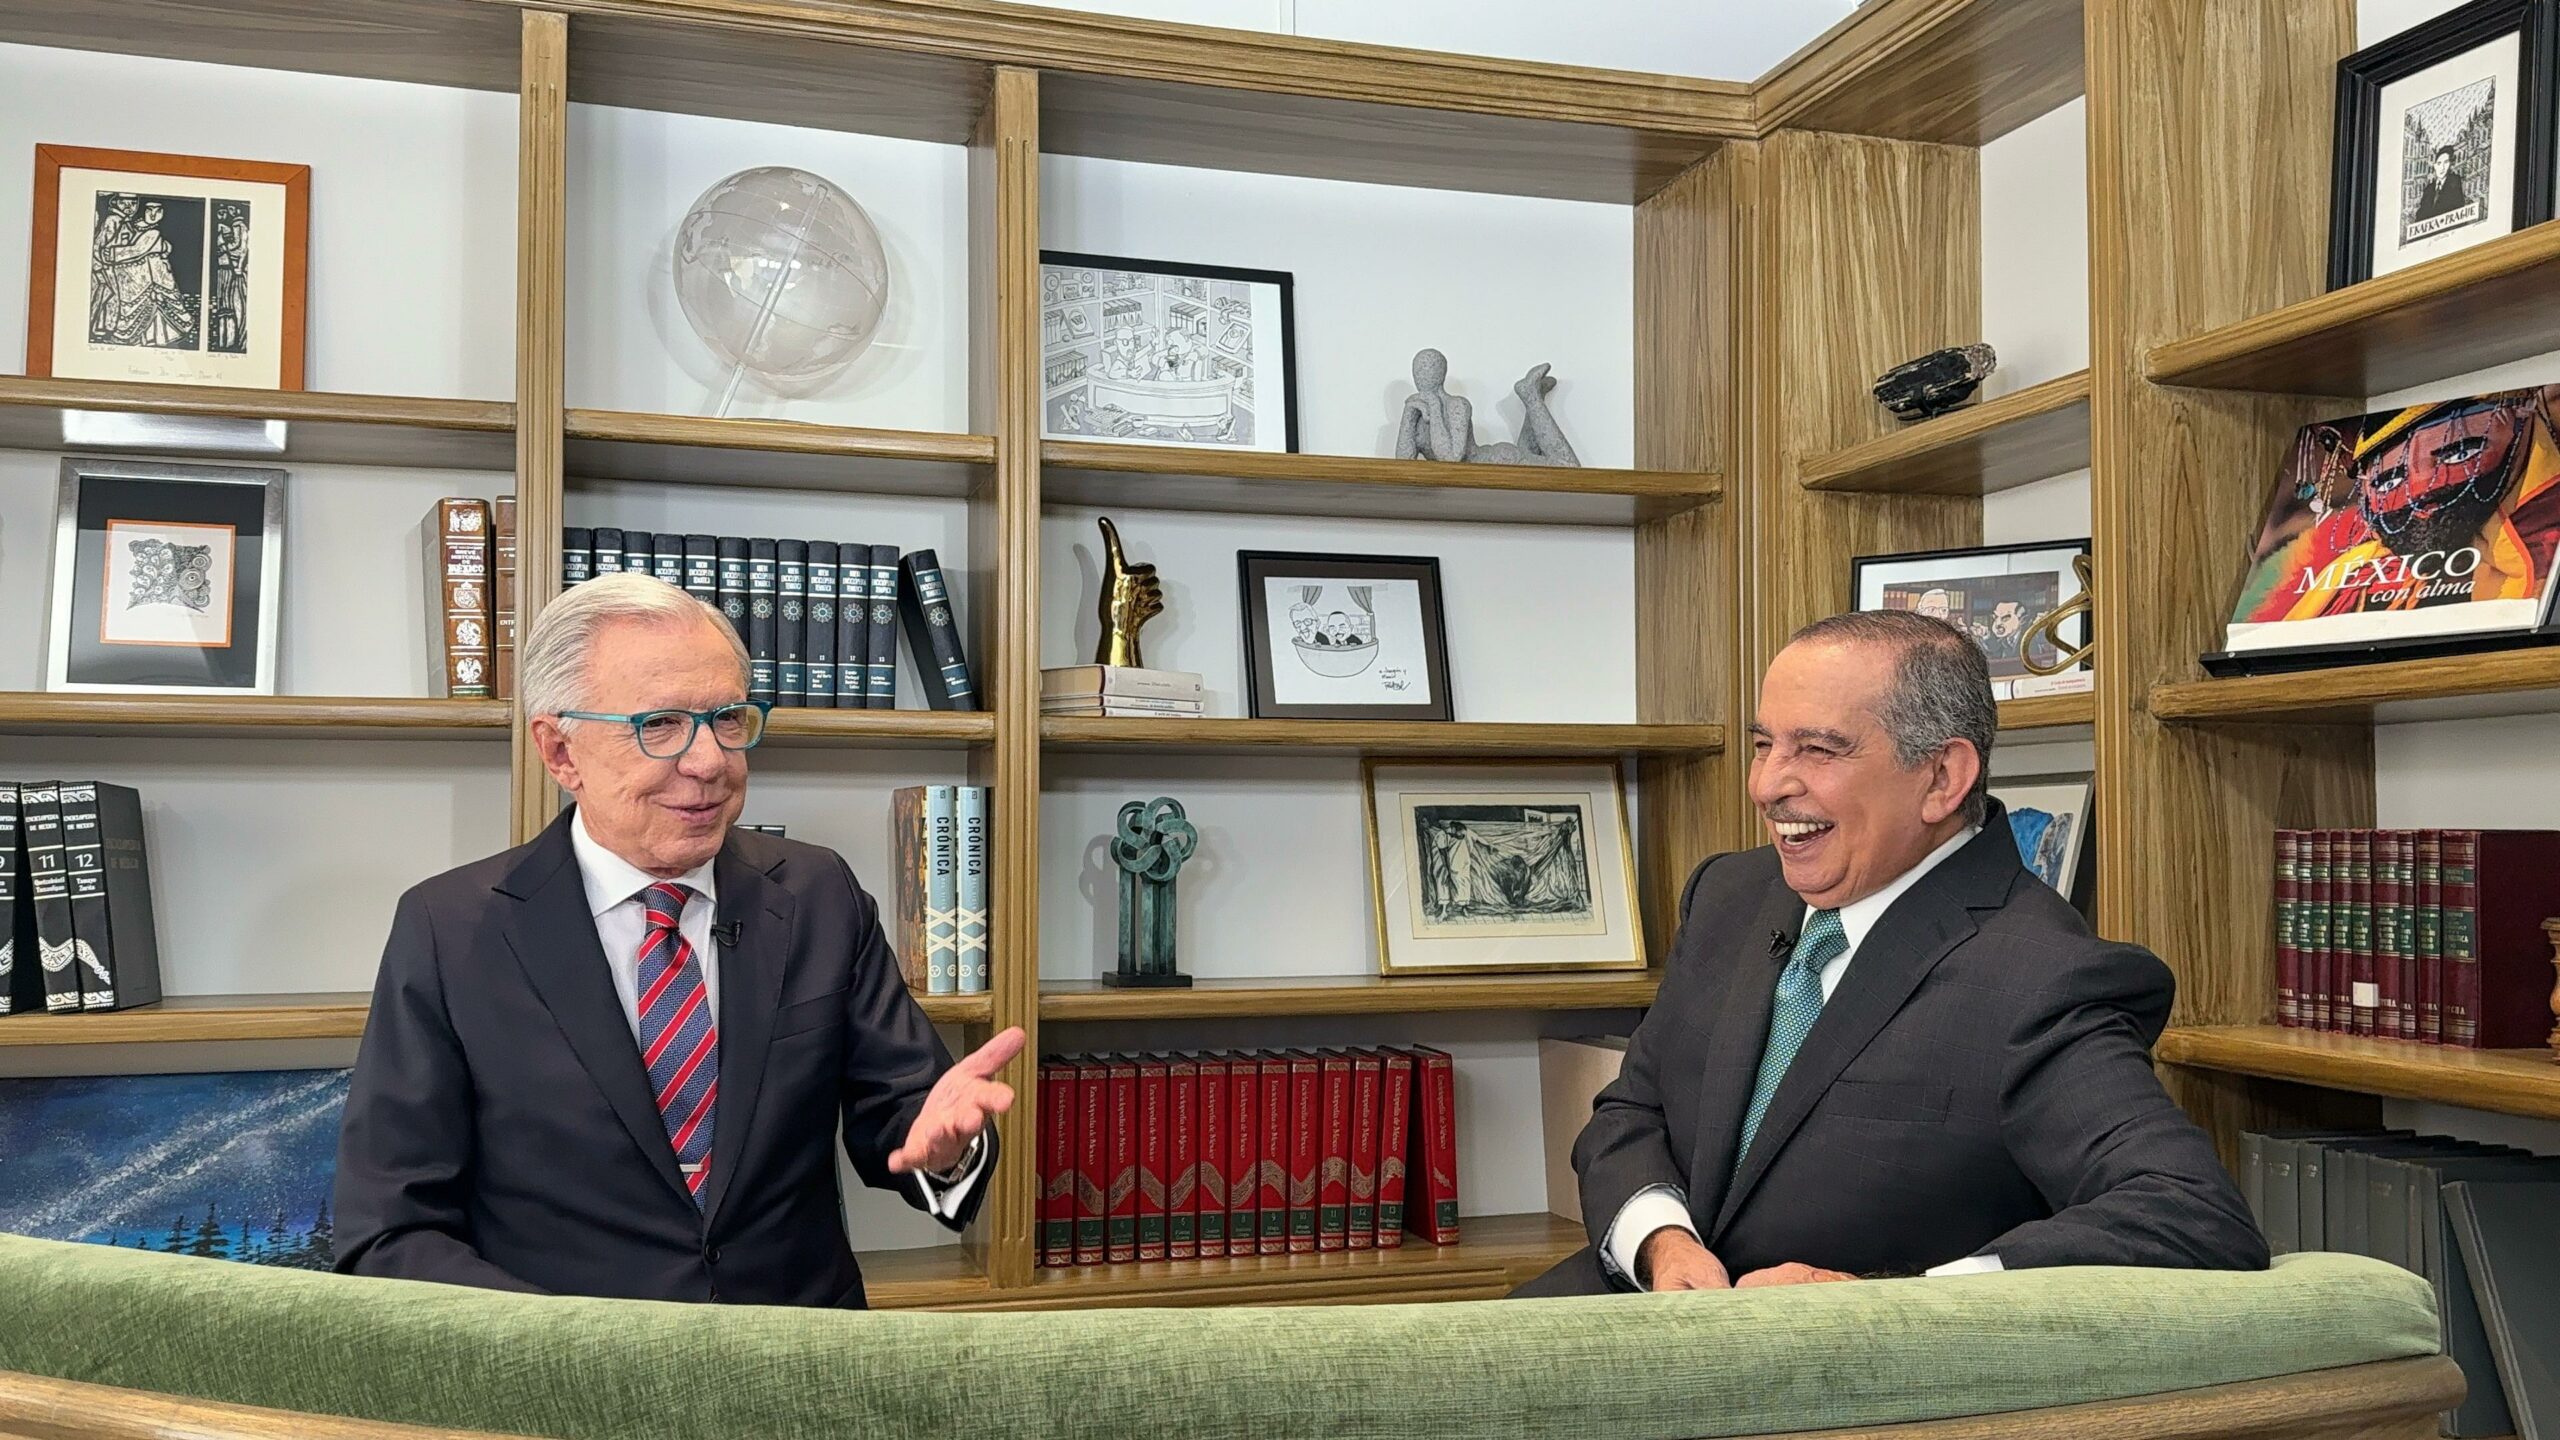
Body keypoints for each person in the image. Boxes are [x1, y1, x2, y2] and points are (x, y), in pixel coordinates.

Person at [1513, 610, 2265, 1296]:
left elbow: (2190, 1213)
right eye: (1765, 745)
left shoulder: (2042, 977)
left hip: (1835, 1373)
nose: (1767, 785)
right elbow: (1634, 1110)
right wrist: (1663, 1244)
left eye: (1818, 749)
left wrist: (1896, 1304)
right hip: (1633, 1306)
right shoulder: (1728, 896)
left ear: (1941, 778)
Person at [335, 573, 1020, 1307]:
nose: (709, 761)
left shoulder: (819, 894)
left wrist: (947, 1151)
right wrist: (557, 1346)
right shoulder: (449, 930)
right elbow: (389, 1230)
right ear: (560, 751)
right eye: (659, 724)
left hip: (796, 1349)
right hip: (569, 1366)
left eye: (727, 719)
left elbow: (909, 1114)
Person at [2414, 144, 2467, 225]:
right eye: (2439, 163)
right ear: (2435, 166)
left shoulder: (2455, 183)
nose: (2442, 167)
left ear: (2451, 164)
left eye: (2446, 162)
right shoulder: (2428, 189)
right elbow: (2420, 215)